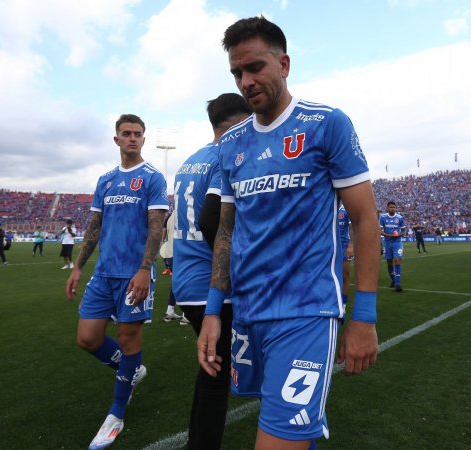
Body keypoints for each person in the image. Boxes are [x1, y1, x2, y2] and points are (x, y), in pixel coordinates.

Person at [198, 17, 380, 450]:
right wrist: (212, 311)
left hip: (306, 313)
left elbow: (365, 218)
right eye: (237, 73)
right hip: (248, 313)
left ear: (284, 64)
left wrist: (364, 316)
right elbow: (226, 232)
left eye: (255, 67)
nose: (246, 81)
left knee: (278, 439)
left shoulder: (326, 124)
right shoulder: (231, 143)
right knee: (290, 429)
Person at [65, 114, 168, 449]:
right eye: (127, 133)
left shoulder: (152, 177)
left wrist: (145, 269)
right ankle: (132, 371)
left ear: (143, 139)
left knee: (128, 340)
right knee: (87, 338)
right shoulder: (106, 180)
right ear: (116, 139)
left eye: (138, 133)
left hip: (133, 273)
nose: (133, 138)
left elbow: (156, 227)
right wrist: (78, 267)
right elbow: (94, 227)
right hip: (103, 273)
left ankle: (116, 414)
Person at [172, 92, 251, 449]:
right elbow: (209, 221)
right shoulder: (225, 156)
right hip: (210, 284)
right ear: (238, 123)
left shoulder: (190, 160)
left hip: (187, 281)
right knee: (217, 378)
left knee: (210, 372)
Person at [379, 201, 405, 292]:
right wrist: (389, 235)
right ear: (387, 208)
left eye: (394, 207)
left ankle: (397, 284)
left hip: (397, 242)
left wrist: (398, 235)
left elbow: (403, 231)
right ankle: (393, 280)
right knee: (389, 262)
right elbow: (380, 231)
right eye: (391, 207)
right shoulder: (383, 217)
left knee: (397, 261)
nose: (393, 209)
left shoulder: (399, 218)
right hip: (387, 243)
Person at [338, 204, 355, 306]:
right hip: (329, 245)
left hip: (344, 245)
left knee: (345, 274)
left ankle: (343, 303)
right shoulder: (328, 207)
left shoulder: (346, 209)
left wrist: (351, 245)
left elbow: (352, 227)